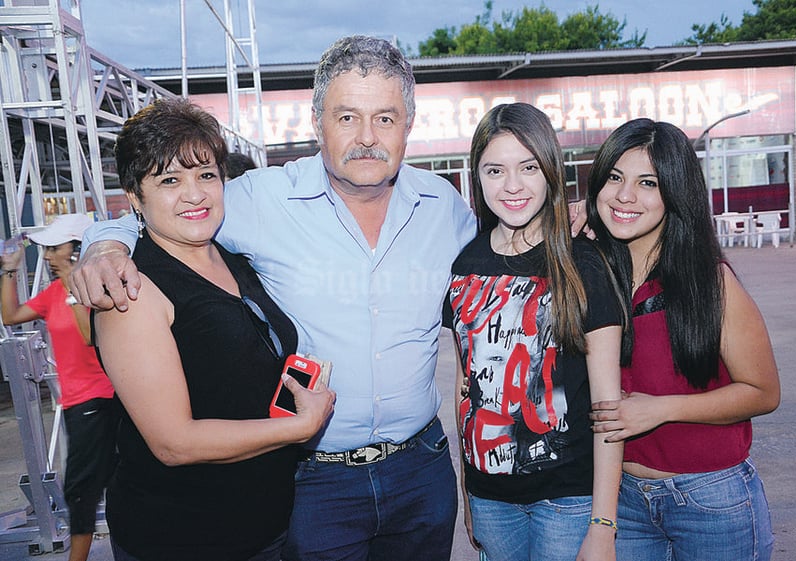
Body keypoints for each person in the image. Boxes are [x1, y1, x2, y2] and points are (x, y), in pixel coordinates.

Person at [69, 36, 476, 561]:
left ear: (409, 126)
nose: (367, 138)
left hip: (421, 469)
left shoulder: (443, 206)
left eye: (386, 118)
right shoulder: (260, 199)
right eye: (347, 117)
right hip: (314, 480)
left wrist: (576, 223)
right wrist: (104, 244)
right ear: (316, 122)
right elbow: (167, 204)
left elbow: (508, 250)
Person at [93, 97, 334, 561]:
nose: (195, 194)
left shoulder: (234, 258)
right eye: (169, 180)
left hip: (267, 525)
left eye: (206, 175)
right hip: (184, 537)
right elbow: (173, 443)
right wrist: (299, 427)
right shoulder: (133, 291)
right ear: (135, 197)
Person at [586, 118, 780, 561]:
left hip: (711, 499)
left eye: (648, 183)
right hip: (623, 501)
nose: (625, 195)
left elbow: (763, 392)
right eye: (614, 178)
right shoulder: (593, 273)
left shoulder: (711, 283)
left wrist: (660, 409)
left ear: (676, 193)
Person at [444, 103, 624, 561]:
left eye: (528, 167)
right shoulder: (465, 266)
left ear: (550, 171)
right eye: (494, 170)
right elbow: (469, 390)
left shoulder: (583, 263)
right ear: (476, 177)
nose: (512, 186)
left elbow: (608, 407)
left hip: (567, 499)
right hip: (490, 501)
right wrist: (470, 494)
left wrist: (603, 525)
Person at [1, 213, 116, 561]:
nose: (48, 257)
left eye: (55, 249)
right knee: (91, 487)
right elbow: (11, 315)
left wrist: (73, 283)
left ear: (77, 249)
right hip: (76, 402)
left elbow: (89, 336)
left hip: (102, 400)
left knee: (81, 490)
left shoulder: (98, 289)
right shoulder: (54, 292)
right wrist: (9, 270)